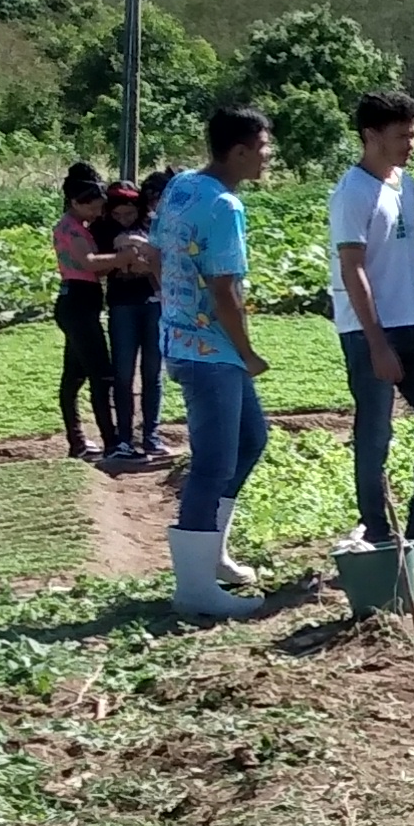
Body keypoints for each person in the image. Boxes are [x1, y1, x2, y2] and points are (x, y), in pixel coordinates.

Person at [330, 89, 414, 560]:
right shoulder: (353, 192)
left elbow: (405, 261)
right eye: (402, 135)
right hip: (370, 333)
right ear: (371, 136)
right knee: (375, 432)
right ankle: (379, 530)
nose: (411, 143)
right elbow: (353, 268)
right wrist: (377, 342)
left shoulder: (403, 183)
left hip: (413, 326)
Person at [158, 106, 277, 619]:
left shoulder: (182, 184)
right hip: (211, 353)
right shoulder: (225, 206)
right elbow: (224, 289)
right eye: (264, 146)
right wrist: (247, 352)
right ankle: (194, 588)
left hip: (183, 340)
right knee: (211, 463)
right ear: (239, 152)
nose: (269, 155)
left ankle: (213, 553)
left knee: (252, 440)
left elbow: (161, 256)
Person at [50, 160, 121, 461]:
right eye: (92, 207)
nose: (97, 214)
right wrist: (123, 257)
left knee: (74, 375)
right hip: (79, 302)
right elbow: (90, 263)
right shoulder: (72, 229)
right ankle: (111, 440)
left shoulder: (77, 225)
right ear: (76, 202)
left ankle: (77, 440)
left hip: (80, 302)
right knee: (100, 374)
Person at [103, 173, 169, 466]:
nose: (124, 218)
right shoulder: (105, 230)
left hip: (153, 304)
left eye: (129, 213)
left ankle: (151, 436)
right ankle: (125, 438)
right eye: (118, 214)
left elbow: (157, 260)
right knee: (123, 373)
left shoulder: (153, 225)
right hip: (121, 305)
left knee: (153, 373)